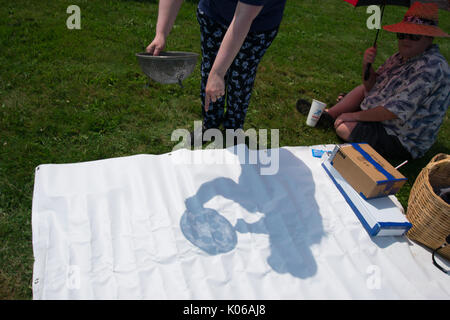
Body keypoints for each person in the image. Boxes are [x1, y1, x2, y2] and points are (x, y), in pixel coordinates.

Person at [297, 2, 449, 160]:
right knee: (360, 90)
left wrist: (353, 116)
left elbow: (392, 111)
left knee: (343, 127)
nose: (406, 40)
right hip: (383, 117)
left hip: (401, 138)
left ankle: (338, 118)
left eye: (414, 36)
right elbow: (372, 86)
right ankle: (329, 115)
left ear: (430, 38)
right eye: (402, 34)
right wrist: (366, 65)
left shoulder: (431, 69)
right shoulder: (400, 57)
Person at [146, 0, 287, 144]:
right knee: (210, 72)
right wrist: (161, 33)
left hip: (257, 26)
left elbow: (243, 17)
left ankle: (233, 131)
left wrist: (218, 73)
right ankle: (210, 126)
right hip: (213, 15)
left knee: (241, 78)